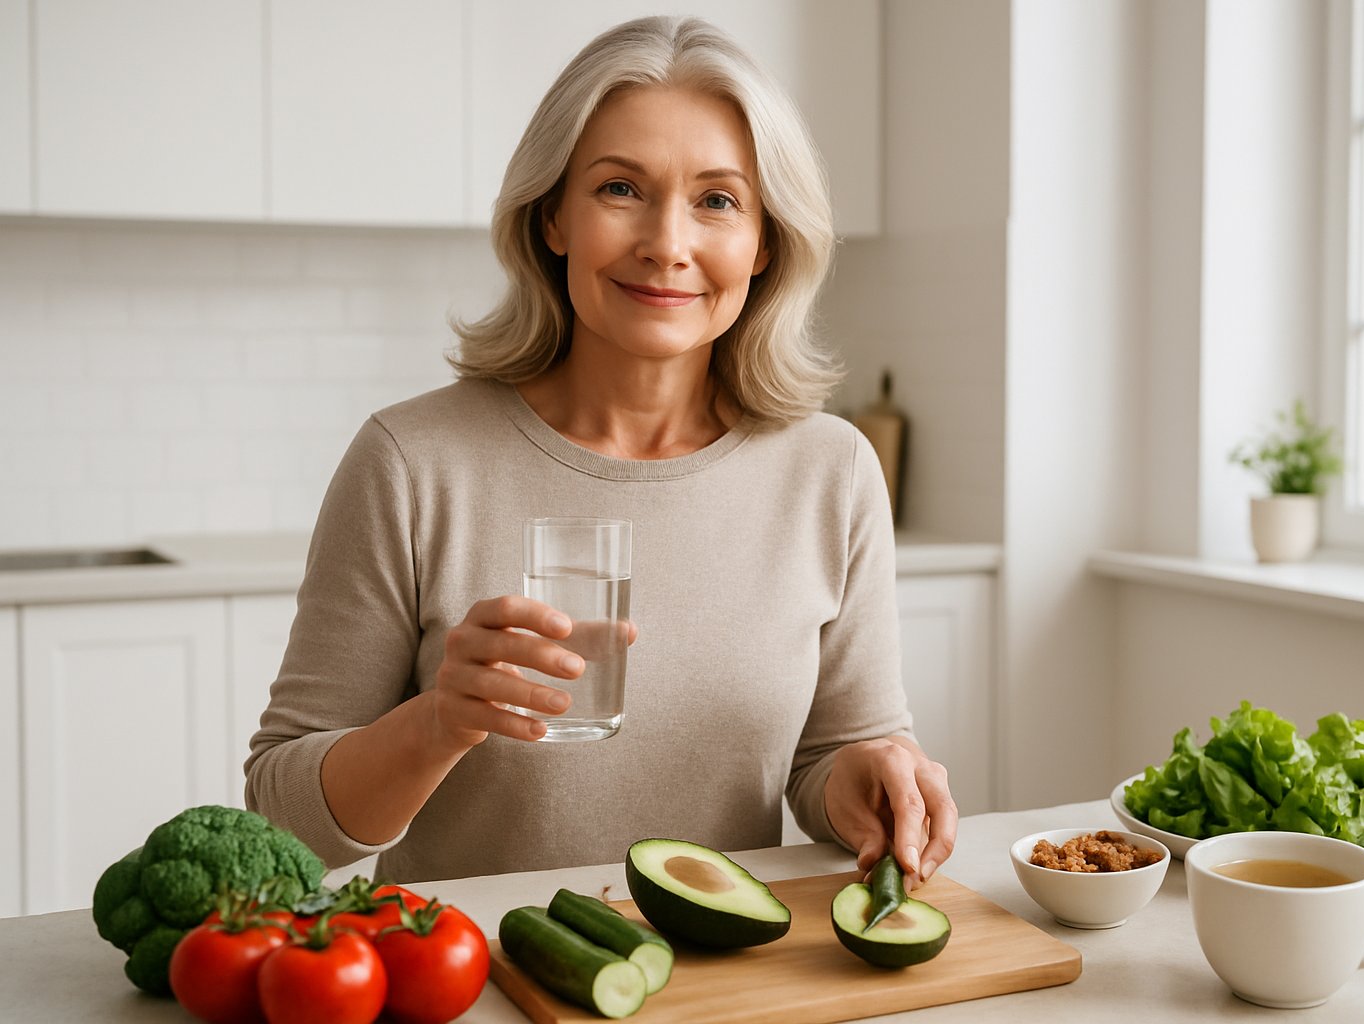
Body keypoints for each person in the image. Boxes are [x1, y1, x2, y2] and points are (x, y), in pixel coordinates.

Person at [246, 15, 956, 890]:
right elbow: (282, 820)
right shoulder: (410, 462)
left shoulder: (833, 471)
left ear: (764, 242)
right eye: (621, 189)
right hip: (474, 981)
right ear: (553, 216)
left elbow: (833, 755)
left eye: (718, 200)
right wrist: (438, 722)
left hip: (724, 982)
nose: (668, 241)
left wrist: (864, 778)